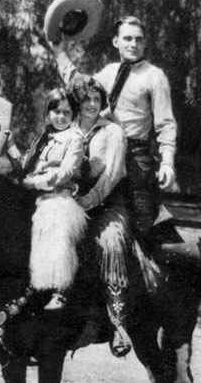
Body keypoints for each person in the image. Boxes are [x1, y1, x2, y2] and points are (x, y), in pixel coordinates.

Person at [49, 15, 177, 254]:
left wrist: (167, 161)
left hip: (136, 158)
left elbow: (166, 123)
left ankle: (152, 280)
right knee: (73, 207)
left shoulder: (154, 76)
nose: (133, 44)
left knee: (143, 223)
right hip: (101, 150)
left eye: (139, 39)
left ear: (145, 43)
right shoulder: (108, 72)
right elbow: (79, 87)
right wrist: (60, 53)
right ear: (115, 41)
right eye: (127, 38)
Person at [69, 75, 159, 356]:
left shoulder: (112, 132)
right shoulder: (66, 129)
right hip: (69, 201)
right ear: (77, 103)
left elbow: (112, 174)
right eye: (86, 100)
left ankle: (117, 322)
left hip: (108, 205)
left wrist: (88, 200)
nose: (92, 105)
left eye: (97, 100)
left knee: (111, 241)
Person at [22, 87, 87, 310]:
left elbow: (66, 171)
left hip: (59, 196)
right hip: (37, 197)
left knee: (58, 226)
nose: (60, 117)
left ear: (74, 116)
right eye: (56, 111)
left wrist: (35, 182)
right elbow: (24, 166)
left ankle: (61, 290)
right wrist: (10, 147)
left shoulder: (74, 139)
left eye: (66, 113)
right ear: (48, 113)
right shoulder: (42, 139)